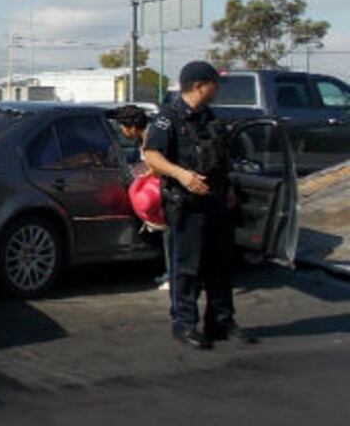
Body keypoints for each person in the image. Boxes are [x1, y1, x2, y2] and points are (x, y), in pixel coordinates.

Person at [143, 61, 257, 350]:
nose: (217, 89)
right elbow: (151, 156)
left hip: (215, 203)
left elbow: (221, 158)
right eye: (214, 84)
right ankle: (184, 324)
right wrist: (182, 175)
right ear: (199, 86)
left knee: (220, 265)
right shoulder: (168, 118)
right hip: (186, 206)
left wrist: (228, 188)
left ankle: (220, 321)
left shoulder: (211, 118)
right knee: (187, 267)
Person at [109, 105, 171, 290]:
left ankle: (175, 277)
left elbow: (161, 164)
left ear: (132, 126)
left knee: (171, 237)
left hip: (167, 192)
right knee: (167, 236)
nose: (122, 132)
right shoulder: (147, 137)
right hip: (162, 192)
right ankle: (171, 273)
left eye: (122, 127)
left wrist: (144, 175)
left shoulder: (153, 138)